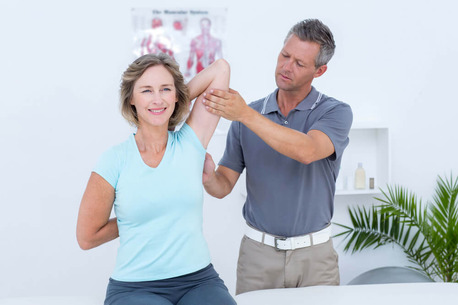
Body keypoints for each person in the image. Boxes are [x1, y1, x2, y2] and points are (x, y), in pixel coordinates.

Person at [201, 19, 353, 294]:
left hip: (315, 258)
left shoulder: (335, 112)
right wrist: (208, 176)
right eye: (285, 55)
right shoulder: (246, 116)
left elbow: (307, 150)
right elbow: (223, 185)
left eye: (299, 63)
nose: (286, 67)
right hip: (257, 257)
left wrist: (246, 115)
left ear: (320, 71)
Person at [76, 53, 236, 305]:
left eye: (165, 89)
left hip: (198, 280)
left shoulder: (191, 144)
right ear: (131, 99)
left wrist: (176, 102)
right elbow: (87, 237)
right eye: (147, 91)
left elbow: (221, 70)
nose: (158, 98)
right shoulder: (114, 160)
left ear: (176, 94)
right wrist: (136, 219)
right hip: (134, 287)